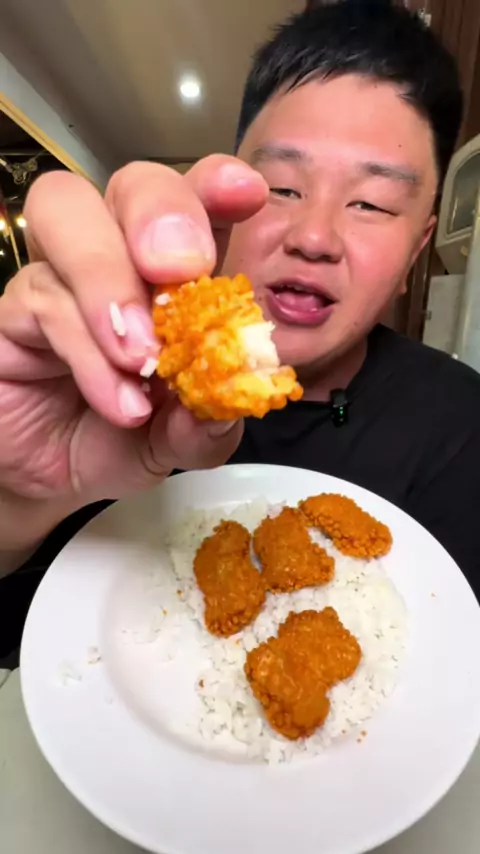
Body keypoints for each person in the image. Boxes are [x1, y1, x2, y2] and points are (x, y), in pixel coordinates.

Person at [1, 0, 479, 661]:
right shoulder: (110, 377)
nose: (315, 237)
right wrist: (16, 500)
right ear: (226, 199)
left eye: (371, 203)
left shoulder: (460, 427)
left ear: (418, 249)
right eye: (282, 188)